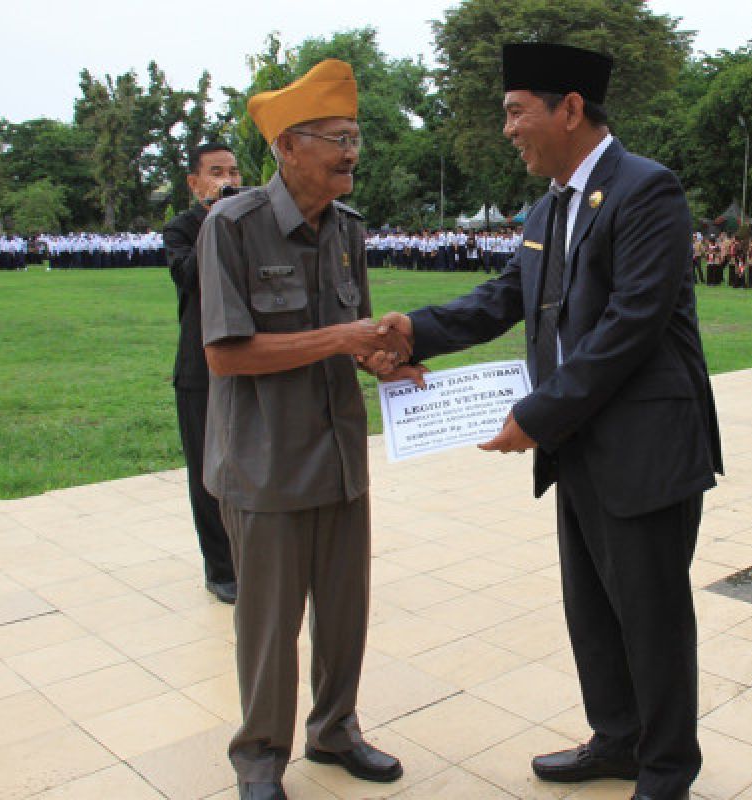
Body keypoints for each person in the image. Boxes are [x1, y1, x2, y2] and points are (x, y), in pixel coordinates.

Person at [375, 42, 722, 800]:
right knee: (593, 604)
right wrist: (413, 332)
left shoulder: (647, 191)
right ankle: (617, 739)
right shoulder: (547, 207)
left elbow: (632, 324)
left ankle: (666, 771)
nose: (507, 129)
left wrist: (537, 412)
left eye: (514, 111)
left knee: (651, 615)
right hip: (578, 445)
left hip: (644, 447)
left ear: (570, 109)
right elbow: (504, 296)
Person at [197, 58, 409, 800]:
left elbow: (351, 339)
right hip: (265, 465)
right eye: (335, 138)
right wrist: (343, 338)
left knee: (345, 612)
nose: (351, 152)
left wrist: (383, 363)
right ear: (288, 146)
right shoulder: (233, 225)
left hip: (339, 458)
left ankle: (334, 730)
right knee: (268, 628)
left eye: (356, 137)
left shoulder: (347, 229)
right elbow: (225, 356)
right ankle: (259, 759)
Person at [164, 141, 241, 604]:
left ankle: (255, 556)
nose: (227, 179)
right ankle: (221, 567)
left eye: (232, 170)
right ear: (195, 183)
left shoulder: (250, 219)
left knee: (250, 462)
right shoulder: (181, 228)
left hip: (249, 358)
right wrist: (216, 219)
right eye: (216, 171)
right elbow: (191, 275)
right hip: (199, 365)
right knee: (206, 470)